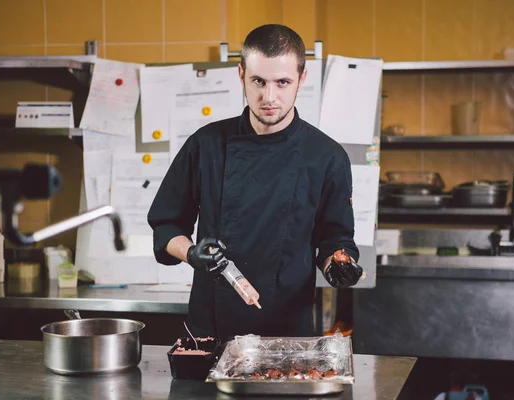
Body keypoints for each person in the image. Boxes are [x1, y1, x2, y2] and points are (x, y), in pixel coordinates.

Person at [147, 24, 363, 340]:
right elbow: (166, 226)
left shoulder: (327, 157)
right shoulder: (205, 144)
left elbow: (335, 239)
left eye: (283, 82)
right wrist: (192, 253)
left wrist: (338, 267)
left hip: (288, 334)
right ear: (241, 74)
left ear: (302, 79)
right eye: (258, 81)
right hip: (211, 330)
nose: (269, 97)